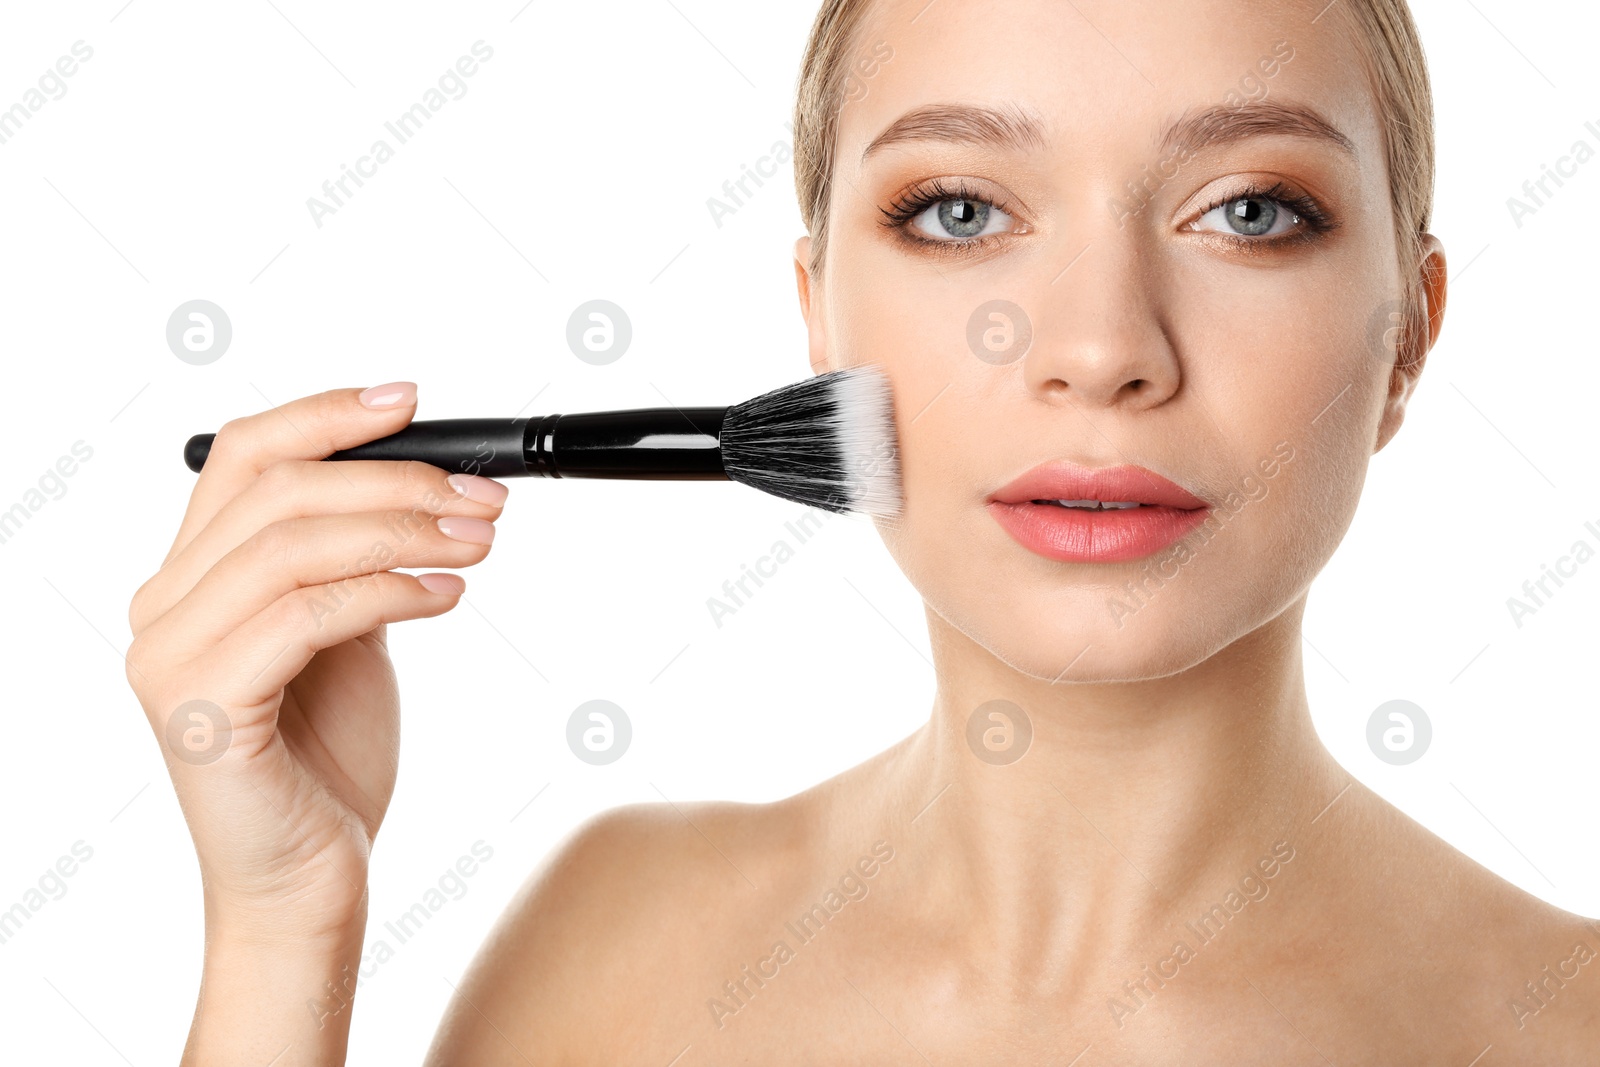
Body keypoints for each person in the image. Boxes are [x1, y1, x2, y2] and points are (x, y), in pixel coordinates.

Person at [126, 0, 1600, 1062]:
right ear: (818, 316)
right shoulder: (613, 945)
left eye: (1250, 211)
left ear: (1408, 335)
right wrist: (277, 934)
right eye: (960, 211)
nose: (1098, 347)